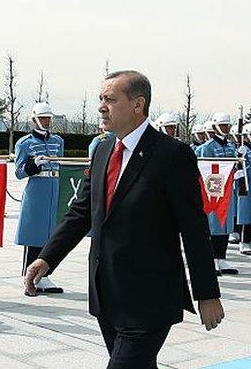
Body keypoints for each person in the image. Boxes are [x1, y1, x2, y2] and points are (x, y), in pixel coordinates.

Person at [24, 70, 223, 368]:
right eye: (101, 99)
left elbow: (194, 229)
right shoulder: (104, 149)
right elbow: (81, 213)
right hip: (107, 295)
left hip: (150, 298)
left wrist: (207, 293)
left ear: (137, 104)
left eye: (110, 99)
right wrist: (46, 258)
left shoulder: (172, 155)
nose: (102, 106)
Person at [15, 102, 66, 295]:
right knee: (34, 235)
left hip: (54, 188)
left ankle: (44, 275)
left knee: (51, 235)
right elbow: (19, 172)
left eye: (48, 118)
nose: (46, 121)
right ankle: (28, 275)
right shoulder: (25, 143)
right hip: (36, 189)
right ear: (34, 119)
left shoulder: (58, 141)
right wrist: (34, 165)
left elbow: (60, 164)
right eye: (42, 118)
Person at [199, 112, 239, 275]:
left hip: (227, 190)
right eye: (223, 125)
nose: (226, 128)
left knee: (225, 225)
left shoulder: (231, 146)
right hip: (213, 190)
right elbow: (204, 171)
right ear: (215, 127)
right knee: (214, 225)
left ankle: (222, 258)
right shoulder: (206, 148)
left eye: (227, 125)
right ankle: (212, 260)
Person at [235, 123, 251, 255]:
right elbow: (243, 166)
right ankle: (244, 241)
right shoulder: (241, 149)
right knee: (245, 212)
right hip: (246, 183)